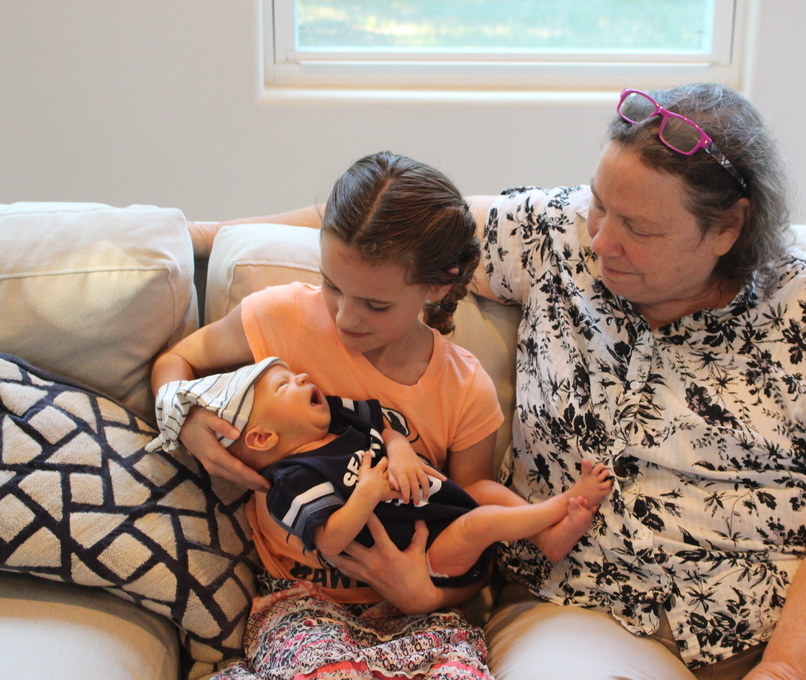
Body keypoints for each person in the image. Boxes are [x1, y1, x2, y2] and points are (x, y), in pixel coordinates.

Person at [203, 85, 806, 680]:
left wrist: (790, 667)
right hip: (588, 607)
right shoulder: (555, 236)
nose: (601, 239)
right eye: (600, 203)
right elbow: (388, 230)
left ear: (728, 228)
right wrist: (194, 237)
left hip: (798, 617)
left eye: (639, 228)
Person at [157, 151, 565, 680]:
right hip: (298, 600)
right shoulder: (282, 317)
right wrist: (184, 418)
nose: (346, 318)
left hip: (419, 608)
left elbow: (472, 526)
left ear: (437, 287)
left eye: (376, 305)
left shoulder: (464, 388)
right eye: (332, 285)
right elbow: (177, 362)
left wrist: (425, 596)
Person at [148, 357, 612, 593]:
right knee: (479, 523)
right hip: (427, 558)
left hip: (444, 507)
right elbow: (330, 541)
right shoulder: (291, 481)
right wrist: (365, 493)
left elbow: (386, 428)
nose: (302, 377)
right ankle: (560, 505)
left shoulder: (336, 419)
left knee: (484, 490)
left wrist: (401, 450)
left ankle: (547, 539)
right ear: (263, 438)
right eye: (284, 385)